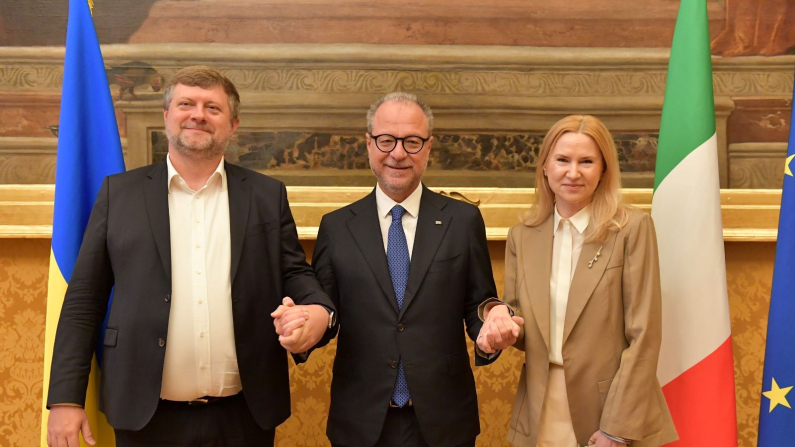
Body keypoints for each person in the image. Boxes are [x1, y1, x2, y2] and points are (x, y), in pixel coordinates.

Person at [45, 66, 335, 447]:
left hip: (244, 417)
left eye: (212, 108)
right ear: (167, 115)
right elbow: (84, 299)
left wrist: (320, 313)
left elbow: (295, 273)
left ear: (233, 124)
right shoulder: (119, 194)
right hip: (143, 417)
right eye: (186, 104)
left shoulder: (266, 196)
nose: (198, 115)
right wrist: (65, 398)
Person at [294, 92, 519, 447]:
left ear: (428, 147)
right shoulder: (337, 227)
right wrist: (304, 326)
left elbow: (479, 305)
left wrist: (492, 326)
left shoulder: (462, 221)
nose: (398, 153)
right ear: (369, 144)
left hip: (443, 421)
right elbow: (327, 315)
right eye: (386, 140)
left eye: (412, 142)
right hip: (361, 421)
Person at [477, 115, 678, 447]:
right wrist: (500, 323)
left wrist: (616, 429)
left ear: (603, 170)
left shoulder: (631, 229)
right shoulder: (522, 235)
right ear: (545, 167)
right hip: (540, 411)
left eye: (586, 162)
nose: (573, 173)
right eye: (562, 160)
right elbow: (522, 326)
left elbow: (644, 335)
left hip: (609, 412)